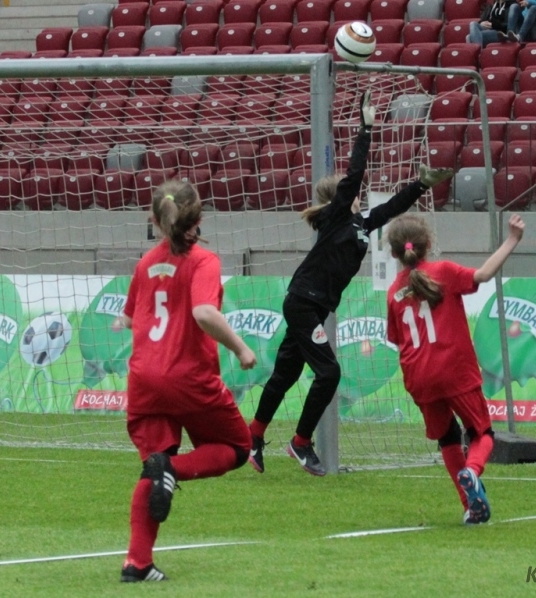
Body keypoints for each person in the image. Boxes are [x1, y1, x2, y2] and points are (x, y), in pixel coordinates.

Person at [247, 92, 455, 476]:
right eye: (348, 189)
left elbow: (391, 208)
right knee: (329, 374)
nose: (355, 189)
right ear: (340, 198)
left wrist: (421, 185)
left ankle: (254, 436)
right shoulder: (338, 217)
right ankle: (301, 442)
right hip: (304, 303)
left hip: (310, 305)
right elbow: (356, 172)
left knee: (286, 373)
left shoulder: (361, 224)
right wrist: (366, 129)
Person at [117, 180, 257, 582]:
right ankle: (172, 470)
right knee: (236, 447)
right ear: (197, 219)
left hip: (144, 379)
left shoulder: (146, 263)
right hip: (187, 377)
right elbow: (204, 314)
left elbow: (129, 318)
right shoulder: (203, 261)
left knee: (150, 465)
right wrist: (241, 349)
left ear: (157, 221)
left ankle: (137, 563)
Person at [384, 212, 525, 524]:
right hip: (454, 369)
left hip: (418, 377)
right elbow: (484, 275)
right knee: (482, 433)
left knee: (448, 438)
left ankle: (470, 506)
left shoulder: (394, 291)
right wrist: (512, 239)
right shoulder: (443, 272)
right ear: (428, 244)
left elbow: (396, 339)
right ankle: (471, 473)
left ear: (394, 253)